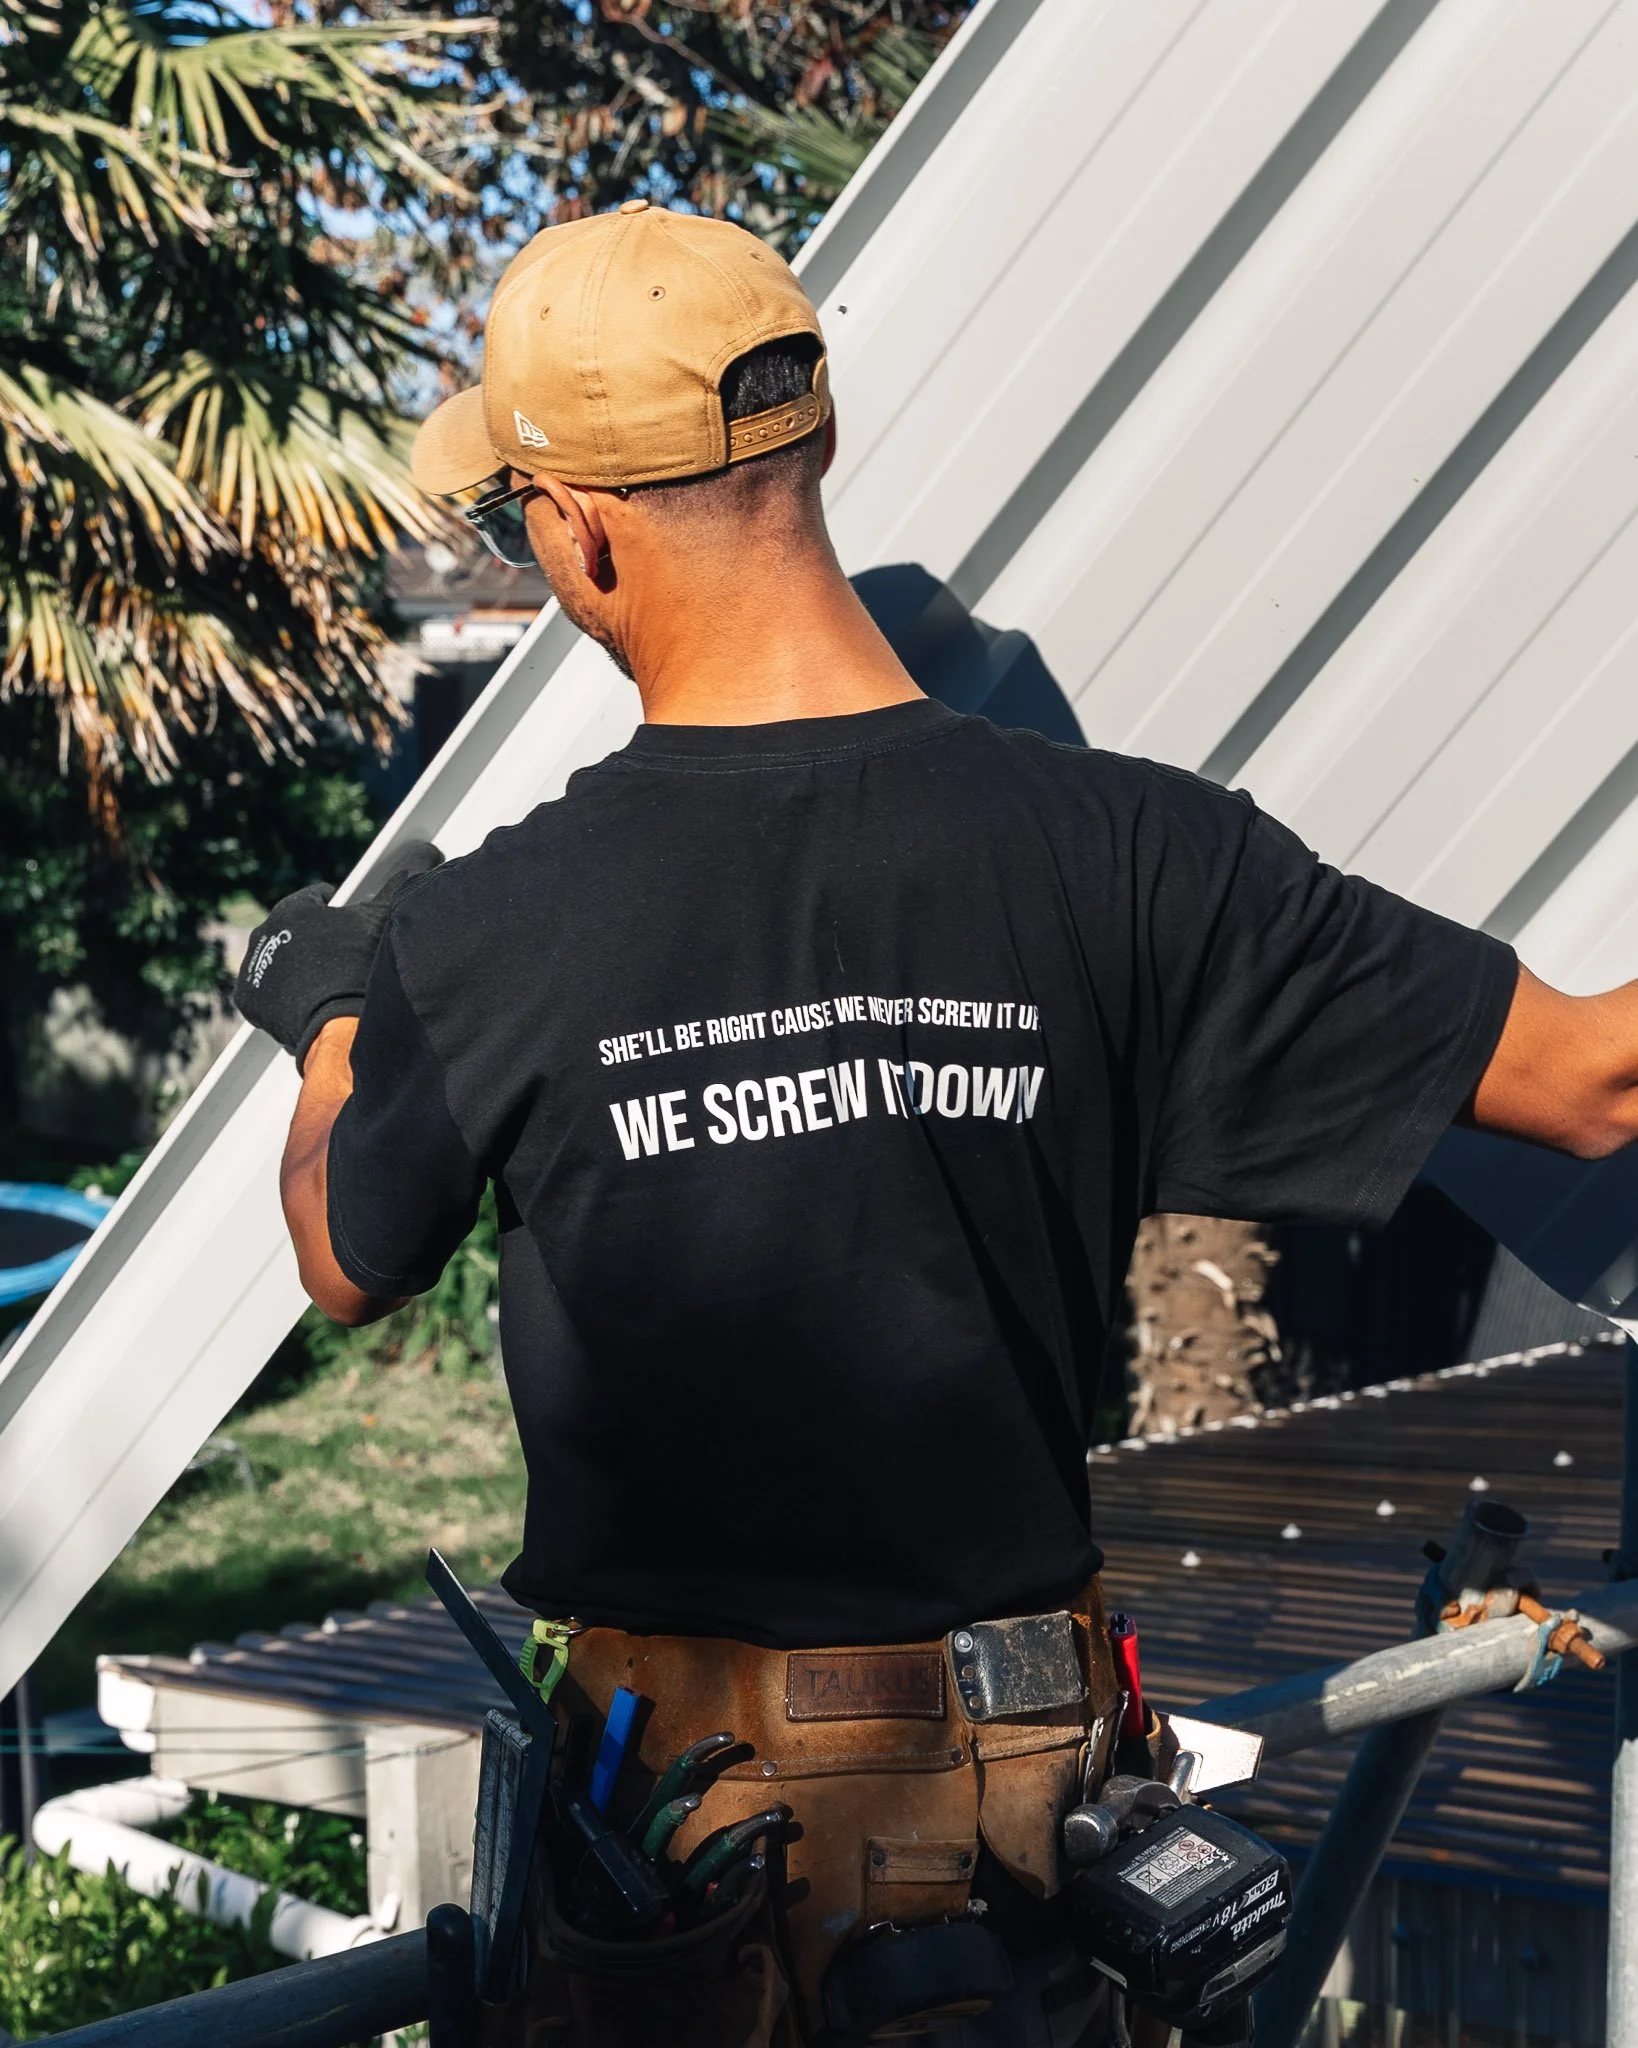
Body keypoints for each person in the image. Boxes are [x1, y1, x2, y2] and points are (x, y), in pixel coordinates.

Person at [234, 203, 1637, 2048]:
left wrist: (340, 1016)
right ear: (810, 442)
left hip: (694, 1877)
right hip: (1029, 1840)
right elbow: (1593, 1079)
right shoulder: (1136, 851)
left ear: (576, 534)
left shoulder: (501, 924)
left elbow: (345, 1254)